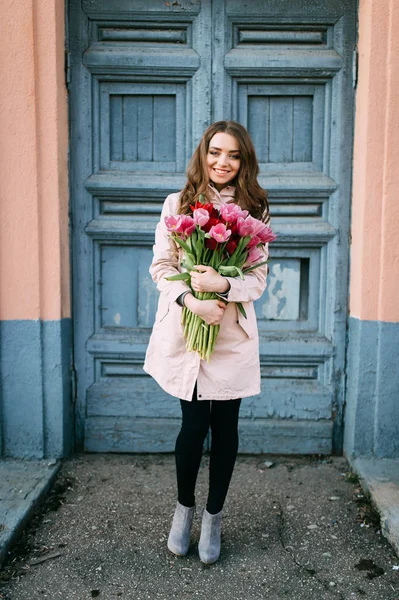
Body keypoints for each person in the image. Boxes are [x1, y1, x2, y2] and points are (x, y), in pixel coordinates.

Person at [143, 120, 270, 564]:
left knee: (227, 429)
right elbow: (161, 267)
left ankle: (213, 518)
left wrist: (221, 285)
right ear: (203, 153)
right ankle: (184, 510)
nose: (223, 162)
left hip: (231, 333)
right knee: (194, 427)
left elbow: (256, 280)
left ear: (243, 161)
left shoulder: (255, 209)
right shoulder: (177, 204)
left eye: (233, 155)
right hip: (189, 328)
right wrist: (191, 301)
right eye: (216, 152)